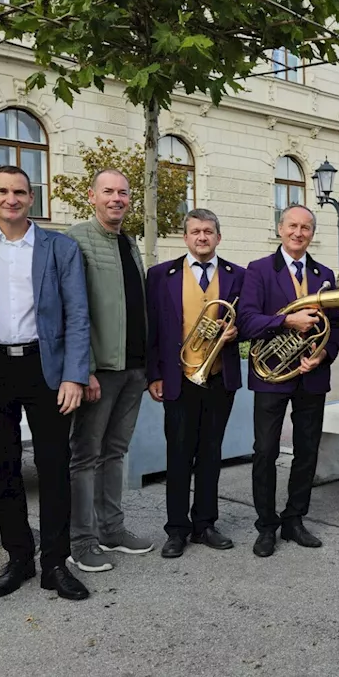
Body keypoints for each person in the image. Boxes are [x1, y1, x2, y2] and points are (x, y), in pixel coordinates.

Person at [0, 166, 91, 601]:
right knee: (4, 468)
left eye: (19, 192)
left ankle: (55, 563)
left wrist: (74, 373)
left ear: (31, 198)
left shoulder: (60, 247)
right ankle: (18, 559)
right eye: (2, 191)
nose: (11, 198)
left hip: (45, 368)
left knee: (53, 468)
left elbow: (78, 314)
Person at [238, 204, 339, 558]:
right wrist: (286, 322)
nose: (299, 233)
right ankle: (266, 525)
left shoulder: (325, 273)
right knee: (265, 451)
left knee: (307, 451)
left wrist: (323, 354)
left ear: (312, 233)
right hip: (271, 376)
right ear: (280, 229)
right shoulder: (259, 270)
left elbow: (338, 327)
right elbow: (247, 322)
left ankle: (295, 518)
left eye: (306, 228)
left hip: (311, 377)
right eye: (293, 226)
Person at [65, 169, 153, 572]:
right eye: (108, 192)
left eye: (123, 192)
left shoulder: (129, 242)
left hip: (133, 368)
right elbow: (70, 310)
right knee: (85, 456)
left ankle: (111, 528)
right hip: (100, 371)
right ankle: (81, 540)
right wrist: (84, 370)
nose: (116, 198)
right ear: (92, 196)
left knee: (115, 453)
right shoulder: (75, 239)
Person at [146, 209, 243, 558]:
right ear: (185, 237)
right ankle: (176, 530)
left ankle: (205, 524)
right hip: (178, 378)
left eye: (208, 232)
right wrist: (153, 375)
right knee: (179, 455)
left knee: (210, 453)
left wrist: (237, 331)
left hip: (218, 377)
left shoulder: (237, 275)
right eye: (195, 232)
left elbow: (248, 317)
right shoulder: (160, 275)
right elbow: (152, 330)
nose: (202, 238)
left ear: (219, 237)